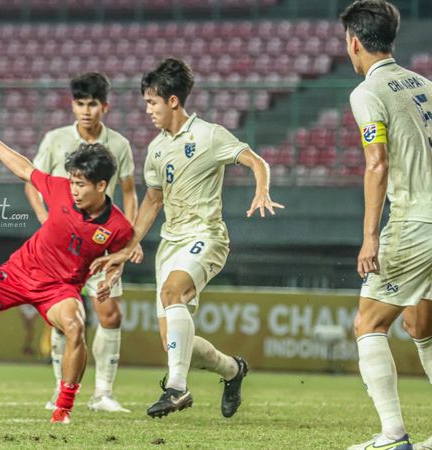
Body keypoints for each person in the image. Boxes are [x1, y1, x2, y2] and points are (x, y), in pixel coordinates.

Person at [91, 58, 283, 419]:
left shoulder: (209, 135)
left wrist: (262, 189)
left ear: (173, 101)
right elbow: (152, 200)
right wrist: (128, 247)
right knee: (174, 343)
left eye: (152, 102)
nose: (148, 110)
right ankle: (233, 370)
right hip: (171, 243)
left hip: (206, 236)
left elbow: (256, 160)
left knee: (170, 294)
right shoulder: (157, 149)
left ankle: (177, 388)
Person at [340, 1, 432, 449]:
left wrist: (369, 237)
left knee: (368, 325)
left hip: (415, 223)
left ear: (354, 42)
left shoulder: (367, 92)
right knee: (421, 327)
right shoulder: (424, 83)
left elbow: (376, 164)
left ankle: (392, 436)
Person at [0, 111, 133, 424]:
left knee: (75, 327)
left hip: (60, 290)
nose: (74, 190)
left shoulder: (118, 227)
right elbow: (24, 168)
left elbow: (118, 258)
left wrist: (111, 276)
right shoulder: (59, 188)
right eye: (72, 182)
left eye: (81, 185)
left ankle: (62, 408)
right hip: (18, 273)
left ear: (101, 185)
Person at [24, 72, 142, 413]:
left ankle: (102, 393)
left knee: (109, 313)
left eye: (92, 104)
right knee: (64, 317)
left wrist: (129, 240)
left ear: (104, 106)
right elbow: (32, 183)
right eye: (80, 103)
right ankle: (59, 389)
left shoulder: (118, 145)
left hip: (100, 245)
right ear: (72, 105)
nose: (86, 110)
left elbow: (130, 194)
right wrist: (45, 219)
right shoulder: (55, 139)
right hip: (59, 249)